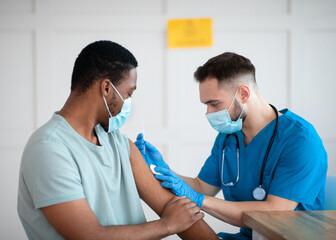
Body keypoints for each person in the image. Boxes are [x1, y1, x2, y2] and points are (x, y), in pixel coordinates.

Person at [17, 40, 219, 240]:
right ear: (106, 88)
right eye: (128, 93)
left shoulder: (118, 142)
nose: (128, 104)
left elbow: (172, 206)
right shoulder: (49, 149)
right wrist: (167, 225)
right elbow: (89, 236)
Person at [135, 52, 328, 240]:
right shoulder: (229, 137)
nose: (208, 113)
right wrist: (159, 169)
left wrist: (199, 200)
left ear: (243, 93)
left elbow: (275, 212)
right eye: (205, 105)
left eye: (214, 103)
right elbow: (202, 186)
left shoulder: (300, 139)